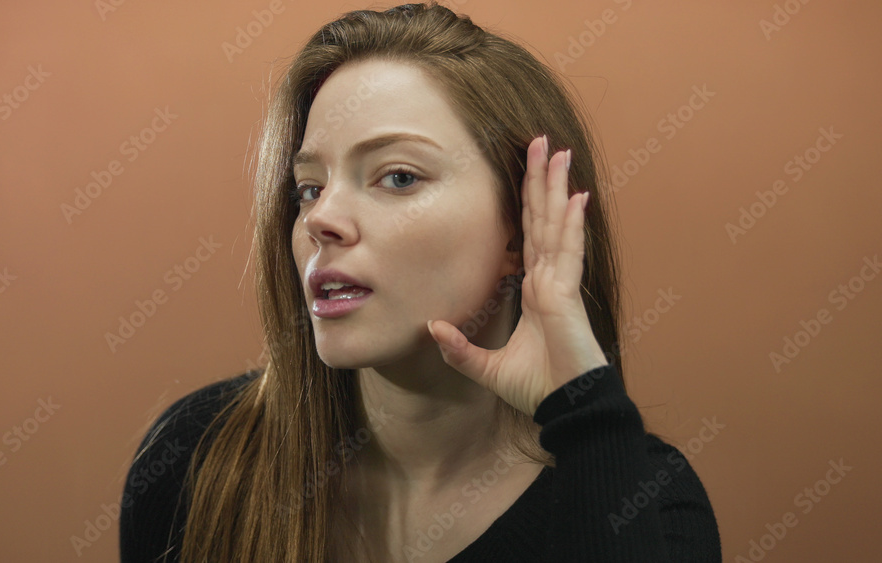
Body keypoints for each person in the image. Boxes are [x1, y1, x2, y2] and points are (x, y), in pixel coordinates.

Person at [119, 2, 722, 562]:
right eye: (310, 187)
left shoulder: (655, 509)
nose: (321, 219)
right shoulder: (194, 461)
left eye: (398, 177)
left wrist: (584, 407)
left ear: (520, 230)